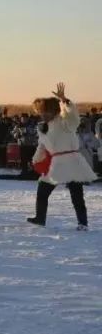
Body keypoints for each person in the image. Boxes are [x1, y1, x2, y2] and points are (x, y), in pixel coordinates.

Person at [28, 84, 96, 231]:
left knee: (76, 194)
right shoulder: (43, 127)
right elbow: (42, 146)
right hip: (56, 164)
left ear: (53, 110)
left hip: (71, 162)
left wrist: (65, 100)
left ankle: (82, 223)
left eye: (45, 111)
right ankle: (40, 218)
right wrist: (35, 160)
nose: (43, 114)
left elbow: (74, 117)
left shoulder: (65, 122)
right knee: (43, 191)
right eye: (41, 111)